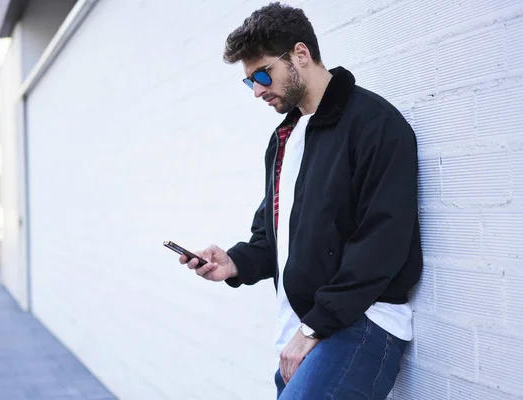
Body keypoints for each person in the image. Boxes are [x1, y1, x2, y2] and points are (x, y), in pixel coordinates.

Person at [178, 2, 423, 399]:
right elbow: (272, 237)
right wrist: (234, 262)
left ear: (300, 55)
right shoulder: (285, 139)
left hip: (360, 326)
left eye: (262, 74)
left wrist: (314, 328)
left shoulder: (375, 124)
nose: (257, 90)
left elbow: (382, 245)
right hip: (303, 334)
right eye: (249, 81)